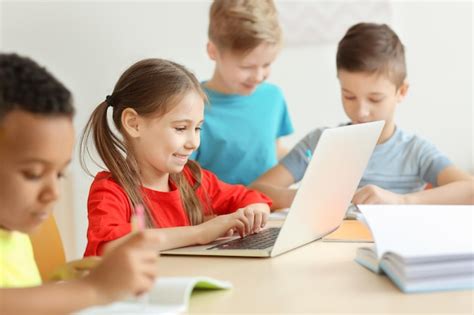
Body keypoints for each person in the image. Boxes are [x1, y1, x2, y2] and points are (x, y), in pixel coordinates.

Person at [250, 23, 474, 210]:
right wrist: (303, 198)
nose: (361, 111)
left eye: (375, 99)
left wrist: (402, 201)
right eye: (349, 96)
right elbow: (255, 191)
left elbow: (470, 191)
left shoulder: (416, 152)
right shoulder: (320, 142)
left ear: (401, 92)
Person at [0, 53, 160, 314]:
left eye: (59, 174)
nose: (53, 193)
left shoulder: (12, 228)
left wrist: (65, 280)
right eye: (33, 174)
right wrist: (94, 290)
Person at [80, 58, 272, 257]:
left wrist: (253, 214)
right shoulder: (110, 190)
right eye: (181, 128)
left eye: (197, 128)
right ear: (134, 124)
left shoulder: (193, 179)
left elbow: (250, 198)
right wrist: (200, 233)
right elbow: (108, 246)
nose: (194, 142)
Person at [192, 0, 294, 185]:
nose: (258, 76)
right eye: (247, 66)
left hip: (270, 209)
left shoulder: (273, 98)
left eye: (266, 64)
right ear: (213, 51)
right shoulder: (192, 106)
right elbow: (183, 178)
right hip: (221, 212)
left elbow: (273, 150)